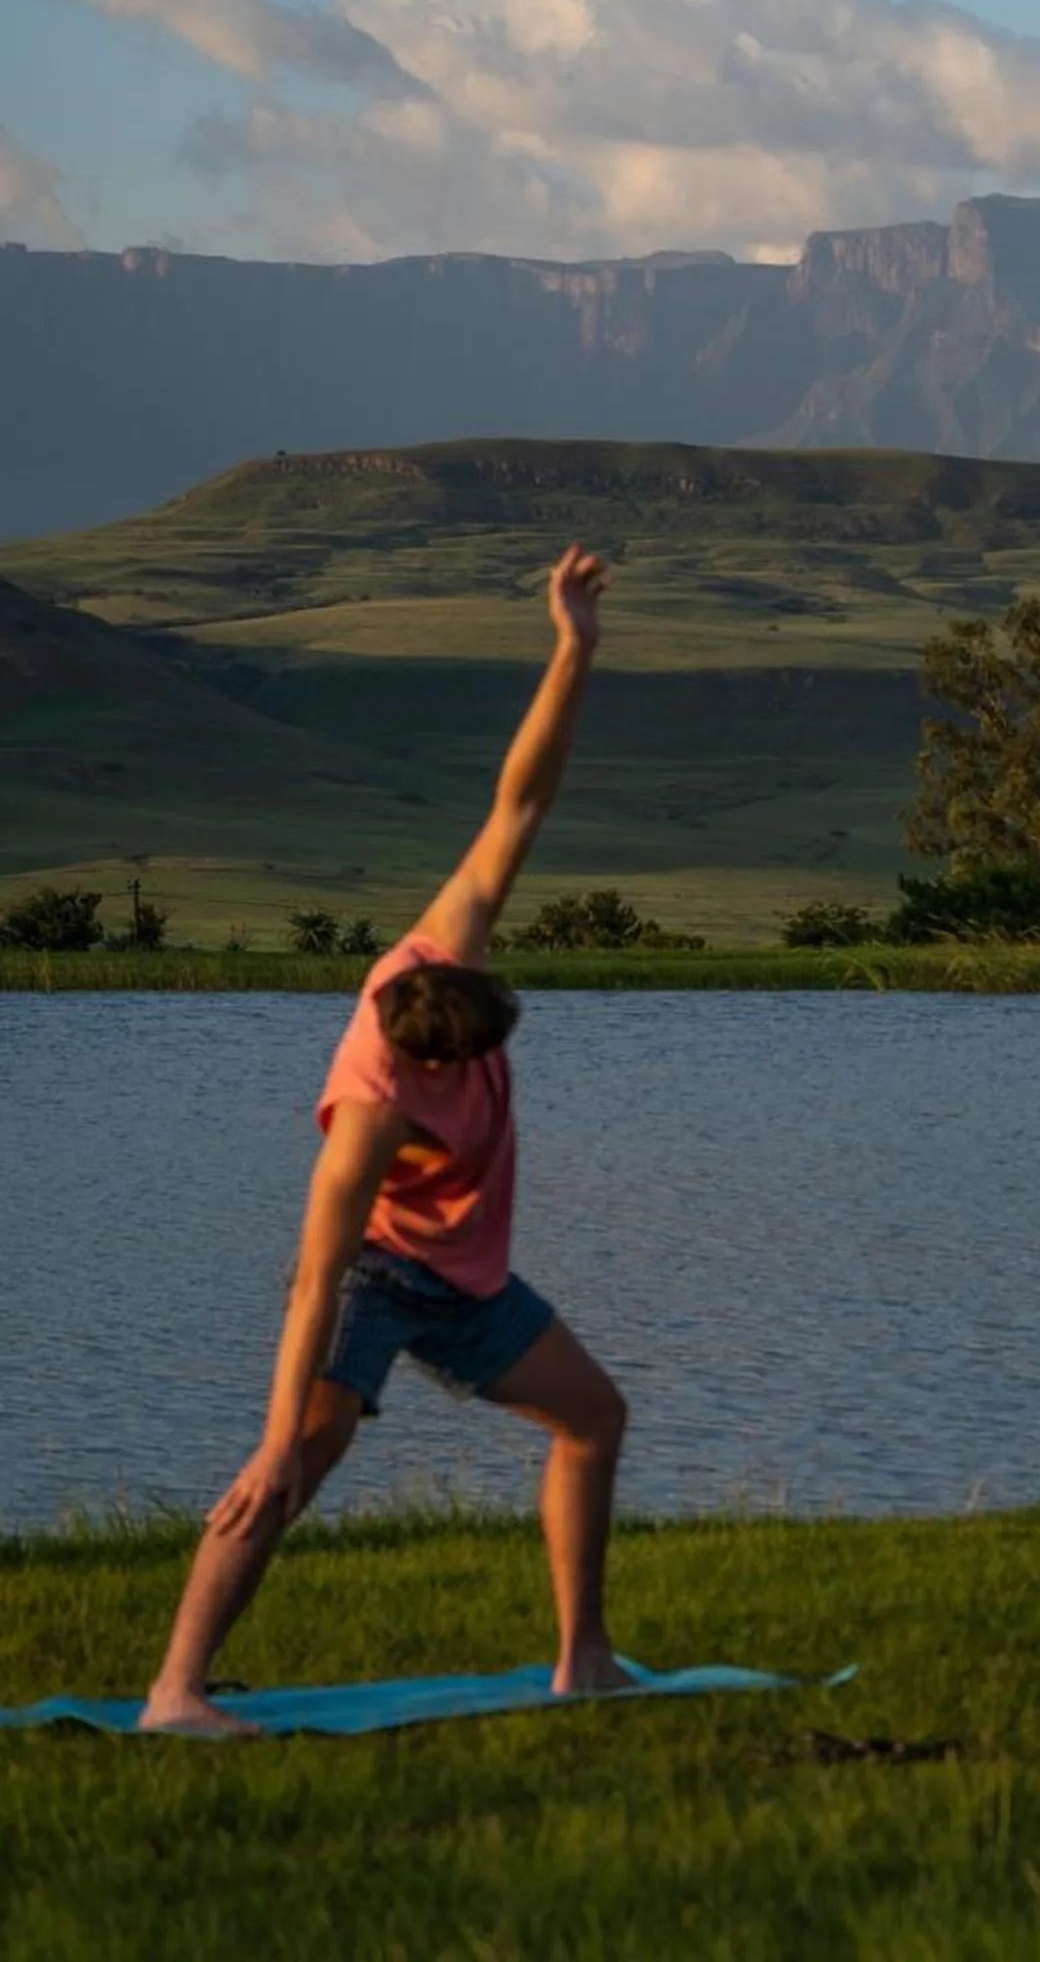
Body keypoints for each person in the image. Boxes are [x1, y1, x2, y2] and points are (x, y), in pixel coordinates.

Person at [140, 547, 637, 1734]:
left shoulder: (440, 954)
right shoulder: (371, 1109)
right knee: (296, 1465)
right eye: (460, 1067)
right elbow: (317, 1272)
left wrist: (572, 646)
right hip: (375, 1277)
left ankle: (584, 1659)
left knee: (592, 1414)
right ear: (422, 1064)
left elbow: (520, 801)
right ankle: (175, 1692)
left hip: (467, 1276)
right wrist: (270, 1435)